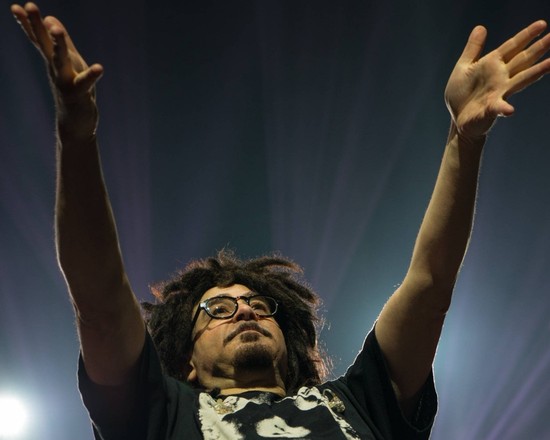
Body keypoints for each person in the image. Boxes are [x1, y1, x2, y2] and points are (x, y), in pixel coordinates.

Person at [10, 2, 550, 439]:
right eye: (218, 309)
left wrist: (464, 139)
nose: (245, 309)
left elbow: (430, 285)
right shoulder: (160, 414)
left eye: (258, 304)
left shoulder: (362, 404)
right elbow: (101, 304)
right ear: (186, 361)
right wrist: (76, 137)